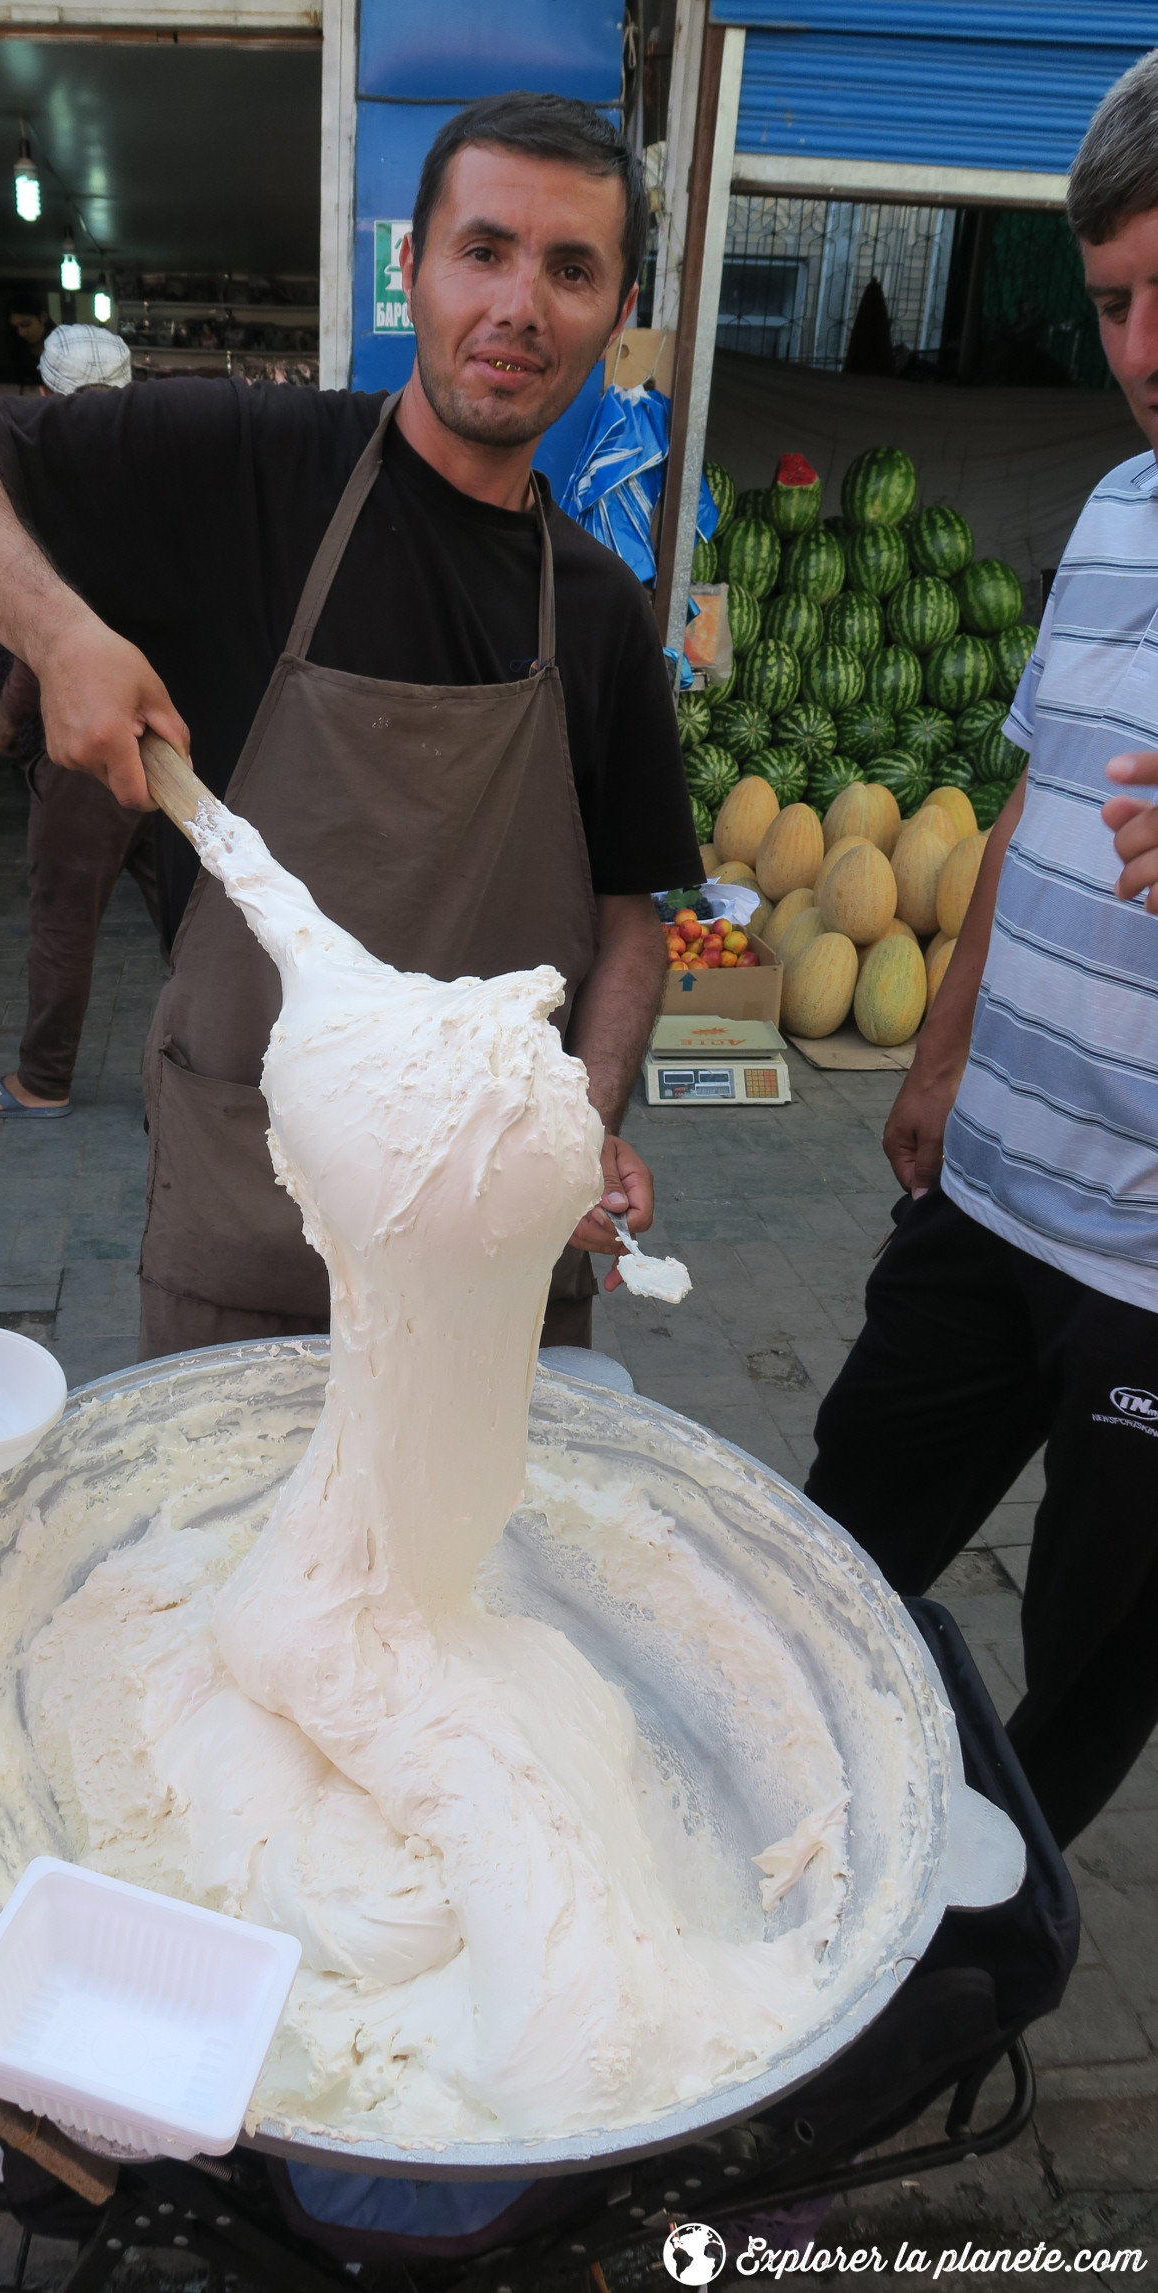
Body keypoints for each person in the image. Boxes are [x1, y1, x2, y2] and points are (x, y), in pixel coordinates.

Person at [0, 91, 699, 1356]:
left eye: (571, 268)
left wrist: (582, 1115)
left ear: (616, 313)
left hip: (490, 1255)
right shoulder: (245, 463)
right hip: (249, 1228)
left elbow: (634, 916)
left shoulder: (603, 614)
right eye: (485, 250)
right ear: (412, 268)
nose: (521, 305)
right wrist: (60, 631)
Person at [804, 49, 1158, 1851]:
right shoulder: (1110, 517)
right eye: (1115, 301)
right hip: (993, 1189)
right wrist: (936, 1061)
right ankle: (786, 1825)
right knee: (831, 1546)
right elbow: (1024, 818)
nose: (1147, 346)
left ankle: (985, 1928)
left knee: (1087, 1663)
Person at [0, 323, 163, 1121]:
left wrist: (7, 718)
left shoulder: (46, 491)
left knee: (63, 918)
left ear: (42, 395)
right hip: (172, 734)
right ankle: (207, 1082)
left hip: (84, 747)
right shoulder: (166, 483)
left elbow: (50, 642)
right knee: (191, 925)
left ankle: (41, 1080)